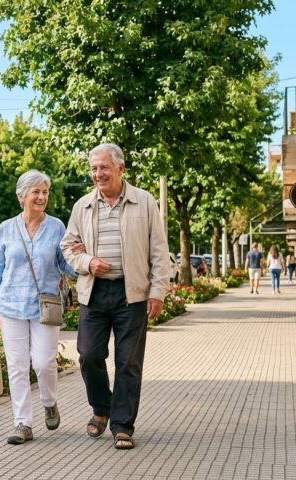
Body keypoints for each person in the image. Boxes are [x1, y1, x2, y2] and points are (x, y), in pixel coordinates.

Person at [61, 143, 170, 450]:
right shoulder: (82, 205)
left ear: (121, 168)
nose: (98, 174)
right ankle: (101, 407)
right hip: (94, 293)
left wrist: (157, 291)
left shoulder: (144, 202)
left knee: (128, 364)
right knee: (88, 355)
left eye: (104, 167)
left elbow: (159, 251)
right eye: (94, 168)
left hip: (131, 293)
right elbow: (68, 247)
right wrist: (88, 262)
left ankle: (122, 425)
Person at [0, 169, 81, 445]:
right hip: (11, 305)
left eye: (45, 192)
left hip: (44, 306)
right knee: (17, 365)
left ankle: (49, 402)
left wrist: (80, 257)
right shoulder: (6, 228)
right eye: (36, 192)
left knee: (44, 362)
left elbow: (65, 266)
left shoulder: (57, 227)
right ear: (21, 196)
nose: (41, 197)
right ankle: (23, 423)